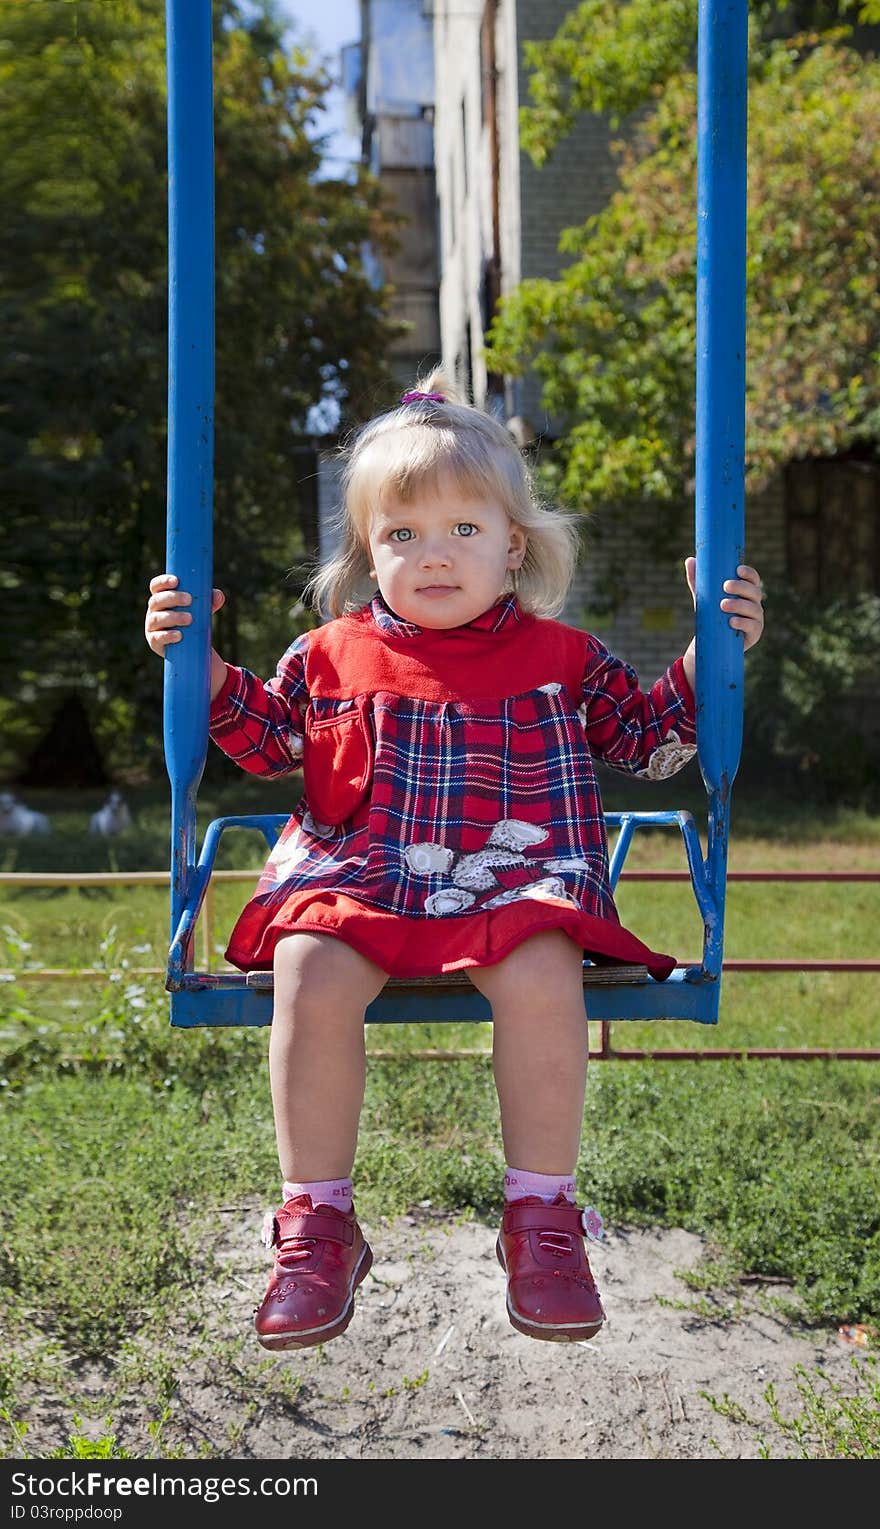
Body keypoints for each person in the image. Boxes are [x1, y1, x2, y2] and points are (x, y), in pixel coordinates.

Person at [145, 375, 765, 1351]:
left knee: (542, 967)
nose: (434, 553)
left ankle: (542, 1217)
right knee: (306, 968)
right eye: (402, 534)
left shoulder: (565, 655)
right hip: (362, 874)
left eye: (463, 529)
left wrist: (714, 648)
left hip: (516, 878)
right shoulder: (327, 653)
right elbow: (264, 741)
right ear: (366, 553)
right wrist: (199, 663)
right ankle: (317, 1222)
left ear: (512, 545)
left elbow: (649, 738)